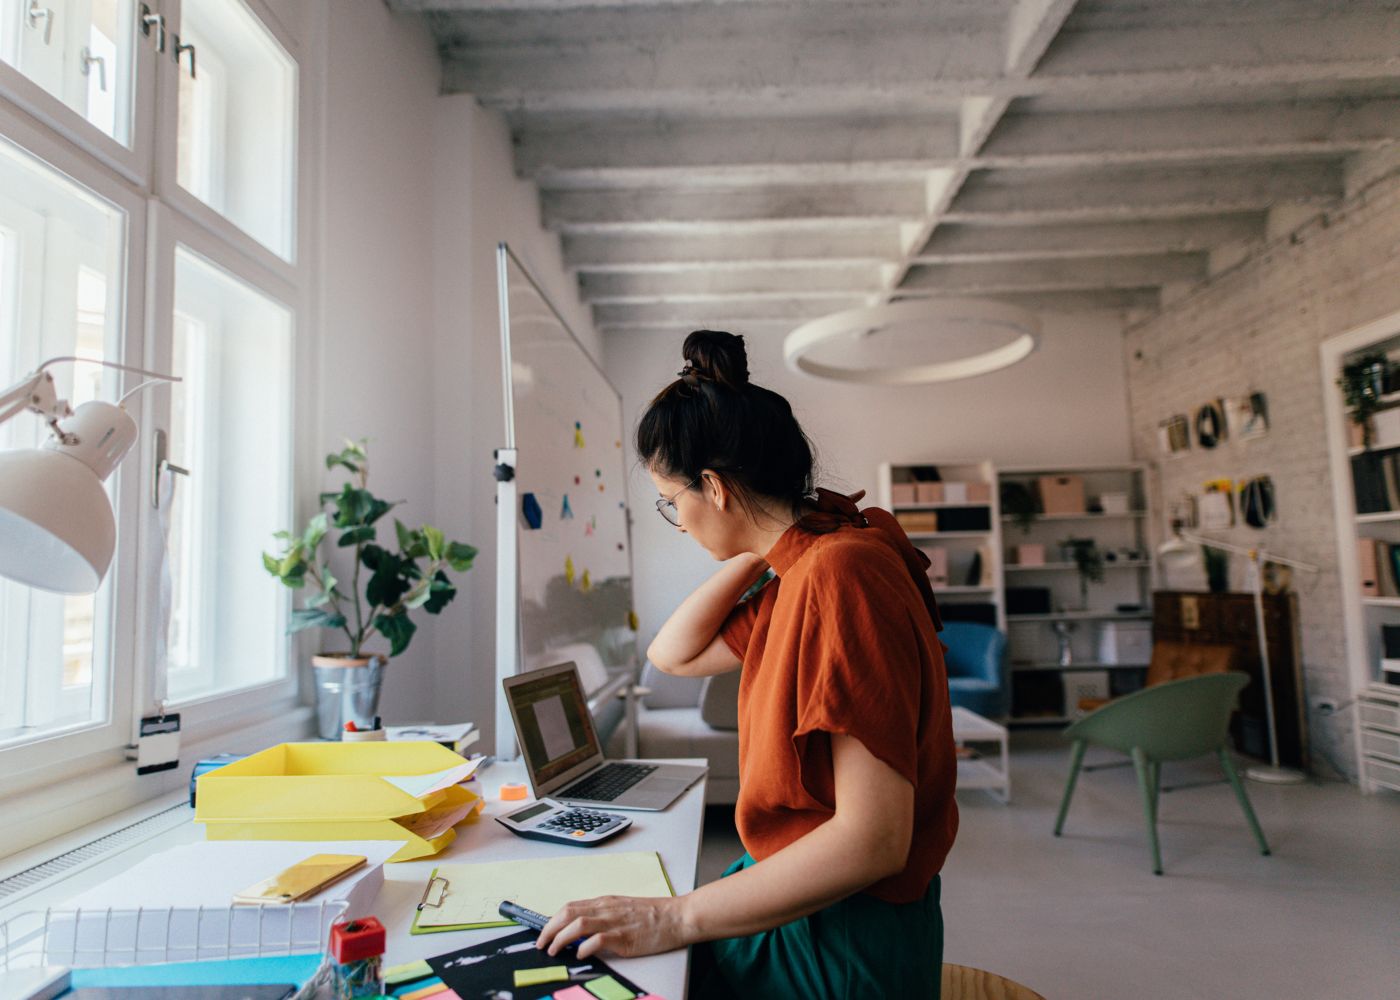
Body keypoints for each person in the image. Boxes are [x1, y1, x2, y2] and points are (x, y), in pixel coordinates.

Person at [534, 330, 959, 997]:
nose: (677, 523)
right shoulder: (805, 569)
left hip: (843, 940)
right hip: (813, 907)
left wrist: (673, 918)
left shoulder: (840, 575)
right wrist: (763, 545)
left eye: (673, 502)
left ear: (714, 486)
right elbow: (674, 653)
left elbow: (874, 841)